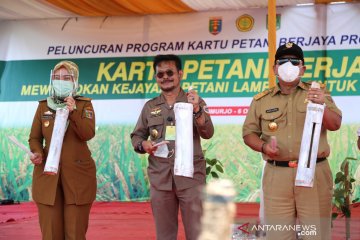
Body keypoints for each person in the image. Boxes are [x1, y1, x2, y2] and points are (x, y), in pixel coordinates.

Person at [242, 42, 342, 240]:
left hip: (314, 173)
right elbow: (248, 134)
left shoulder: (317, 92)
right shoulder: (261, 100)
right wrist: (263, 146)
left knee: (315, 235)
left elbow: (335, 124)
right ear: (274, 68)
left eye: (294, 62)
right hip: (277, 175)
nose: (289, 65)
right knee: (278, 235)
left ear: (302, 68)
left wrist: (321, 104)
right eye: (283, 61)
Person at [130, 54, 214, 240]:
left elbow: (208, 133)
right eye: (160, 74)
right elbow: (137, 136)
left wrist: (197, 110)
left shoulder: (194, 101)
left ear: (180, 74)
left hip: (190, 178)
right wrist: (144, 145)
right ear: (156, 77)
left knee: (197, 232)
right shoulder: (150, 106)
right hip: (161, 179)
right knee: (165, 235)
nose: (165, 77)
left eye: (170, 72)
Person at [29, 60, 97, 239]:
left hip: (78, 177)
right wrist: (36, 152)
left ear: (75, 80)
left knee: (75, 232)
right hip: (48, 175)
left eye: (67, 77)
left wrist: (73, 111)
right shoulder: (44, 106)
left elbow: (87, 134)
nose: (61, 81)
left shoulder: (84, 105)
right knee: (50, 232)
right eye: (57, 77)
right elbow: (35, 138)